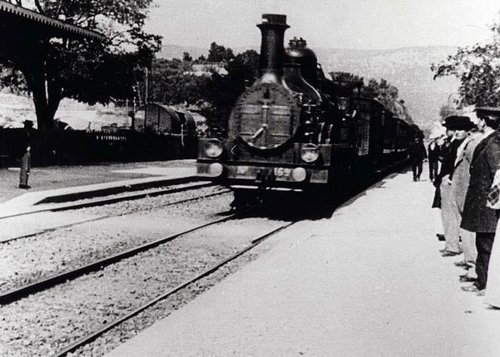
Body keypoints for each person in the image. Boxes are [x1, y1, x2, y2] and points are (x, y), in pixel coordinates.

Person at [460, 107, 500, 294]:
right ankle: (483, 282)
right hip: (484, 202)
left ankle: (484, 284)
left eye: (478, 120)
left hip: (487, 204)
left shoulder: (494, 143)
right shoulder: (491, 141)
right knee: (484, 242)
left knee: (486, 244)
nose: (476, 123)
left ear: (484, 121)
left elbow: (496, 174)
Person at [450, 116, 482, 280]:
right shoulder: (467, 142)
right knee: (465, 227)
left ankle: (473, 266)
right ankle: (469, 259)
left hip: (467, 190)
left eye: (459, 129)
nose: (455, 132)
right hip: (462, 190)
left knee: (469, 228)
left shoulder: (474, 143)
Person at [435, 116, 468, 257]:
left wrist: (447, 178)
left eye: (449, 129)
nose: (448, 131)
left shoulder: (457, 144)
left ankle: (452, 246)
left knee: (451, 216)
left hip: (450, 184)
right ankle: (451, 244)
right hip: (447, 182)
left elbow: (451, 164)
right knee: (448, 216)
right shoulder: (453, 143)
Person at [19, 120, 33, 189]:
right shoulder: (24, 132)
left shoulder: (25, 132)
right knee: (25, 167)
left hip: (26, 150)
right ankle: (23, 183)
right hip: (25, 151)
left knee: (26, 167)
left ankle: (24, 182)